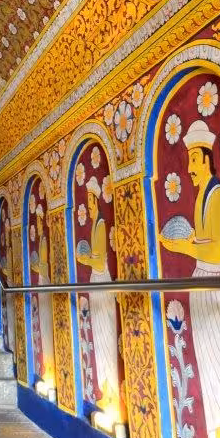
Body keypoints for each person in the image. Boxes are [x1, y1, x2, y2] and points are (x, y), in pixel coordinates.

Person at [158, 119, 220, 438]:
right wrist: (183, 244)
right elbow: (203, 242)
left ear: (205, 157)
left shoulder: (217, 193)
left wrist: (181, 247)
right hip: (204, 284)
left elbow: (214, 250)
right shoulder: (202, 194)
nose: (189, 168)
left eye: (193, 161)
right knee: (209, 369)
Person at [79, 178, 120, 421]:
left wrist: (83, 260)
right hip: (96, 282)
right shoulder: (96, 223)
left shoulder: (102, 224)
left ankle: (112, 394)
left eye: (90, 201)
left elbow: (99, 259)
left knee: (105, 334)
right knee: (99, 333)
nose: (89, 205)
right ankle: (107, 391)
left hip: (101, 280)